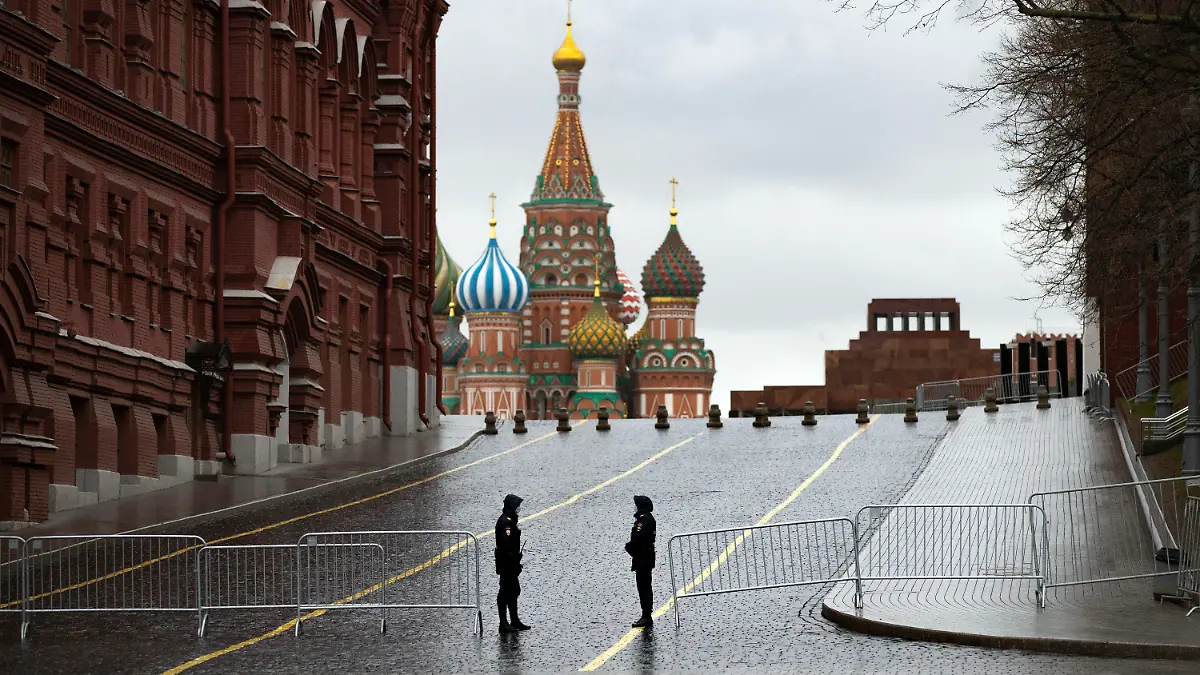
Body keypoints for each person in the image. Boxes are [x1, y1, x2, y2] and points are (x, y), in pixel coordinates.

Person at [495, 493, 530, 633]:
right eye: (516, 507)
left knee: (514, 590)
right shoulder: (506, 522)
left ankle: (514, 620)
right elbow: (506, 546)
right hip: (506, 564)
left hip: (511, 562)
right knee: (505, 591)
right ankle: (503, 623)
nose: (518, 509)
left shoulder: (510, 520)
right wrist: (513, 562)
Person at [624, 494, 657, 627]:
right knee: (645, 586)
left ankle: (646, 615)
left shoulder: (643, 520)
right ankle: (646, 614)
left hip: (643, 557)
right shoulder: (647, 518)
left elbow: (638, 539)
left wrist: (629, 547)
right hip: (646, 556)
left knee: (644, 587)